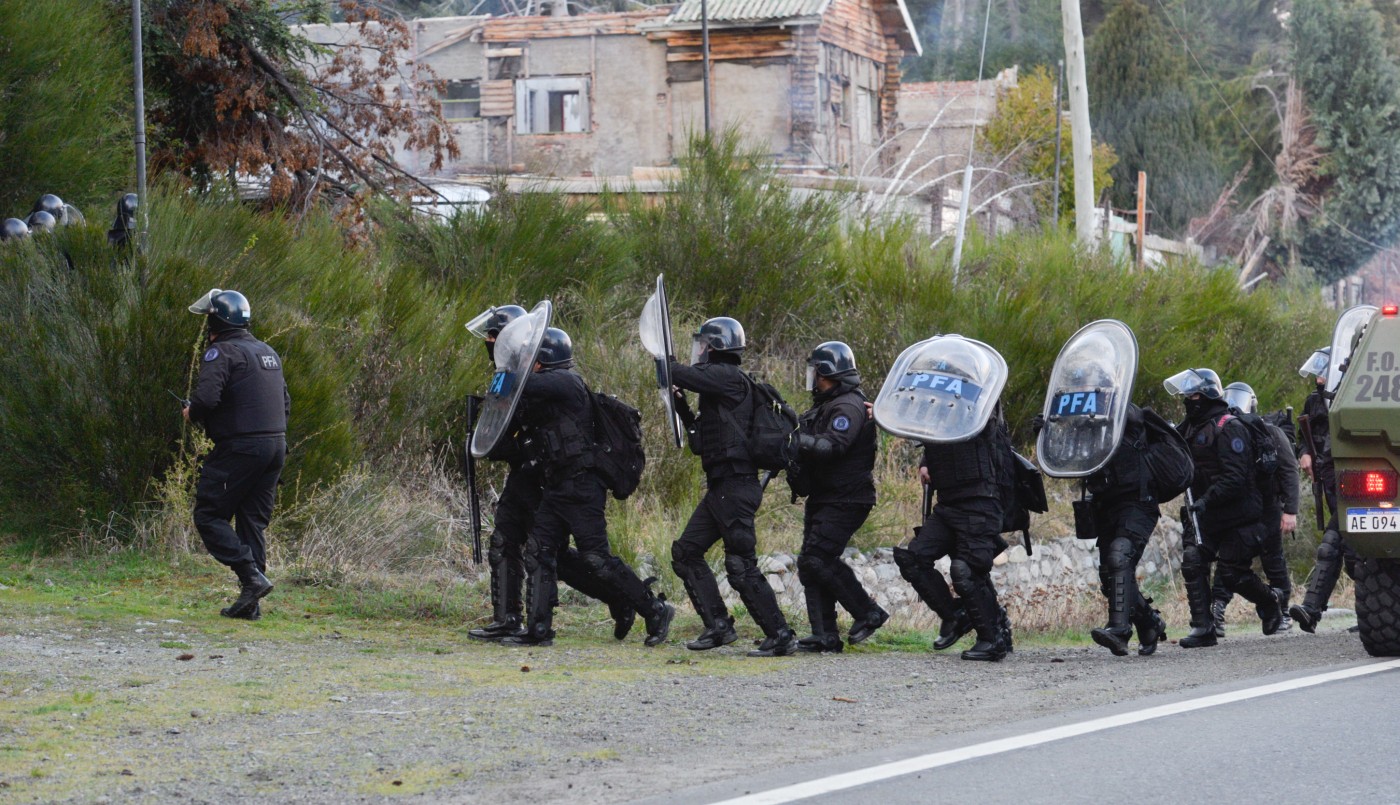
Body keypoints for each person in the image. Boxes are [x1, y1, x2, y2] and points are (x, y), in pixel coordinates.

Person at [466, 307, 639, 643]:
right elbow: (510, 434)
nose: (488, 342)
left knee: (556, 554)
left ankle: (621, 597)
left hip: (550, 476)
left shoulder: (548, 380)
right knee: (508, 542)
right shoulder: (517, 376)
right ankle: (509, 620)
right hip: (526, 473)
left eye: (493, 337)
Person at [502, 327, 674, 647]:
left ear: (544, 358)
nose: (528, 362)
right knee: (539, 552)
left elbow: (518, 385)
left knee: (596, 559)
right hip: (557, 486)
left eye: (531, 356)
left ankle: (654, 609)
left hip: (582, 487)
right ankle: (538, 631)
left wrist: (507, 367)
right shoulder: (547, 389)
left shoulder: (565, 381)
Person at [668, 317, 796, 657]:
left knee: (740, 565)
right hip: (722, 489)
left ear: (716, 347)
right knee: (686, 553)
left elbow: (681, 374)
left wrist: (662, 361)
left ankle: (780, 635)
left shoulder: (727, 377)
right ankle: (719, 627)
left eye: (703, 345)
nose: (700, 351)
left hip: (736, 488)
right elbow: (700, 443)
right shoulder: (719, 391)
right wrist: (681, 406)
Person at [184, 289, 290, 620]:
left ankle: (250, 577)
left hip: (240, 448)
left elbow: (206, 399)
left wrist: (193, 413)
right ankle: (249, 606)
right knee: (251, 523)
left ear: (215, 321)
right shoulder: (267, 351)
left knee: (208, 515)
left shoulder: (222, 352)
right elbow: (285, 402)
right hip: (275, 446)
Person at [1165, 368, 1283, 647]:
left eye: (1193, 394)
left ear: (1207, 394)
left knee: (1232, 575)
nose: (1188, 400)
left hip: (1239, 515)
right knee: (1193, 562)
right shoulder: (1189, 428)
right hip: (1205, 514)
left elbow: (1236, 477)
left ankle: (1270, 601)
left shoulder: (1230, 427)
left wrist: (1207, 500)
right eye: (1186, 395)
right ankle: (1203, 628)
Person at [786, 342, 886, 653]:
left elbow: (832, 446)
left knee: (818, 558)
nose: (814, 380)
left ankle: (868, 612)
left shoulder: (848, 406)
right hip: (825, 496)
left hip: (848, 498)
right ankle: (824, 634)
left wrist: (794, 440)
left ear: (832, 374)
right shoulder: (826, 406)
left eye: (818, 374)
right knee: (809, 563)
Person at [895, 408, 1013, 662]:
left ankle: (992, 640)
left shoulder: (981, 402)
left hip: (980, 502)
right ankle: (955, 616)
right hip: (948, 504)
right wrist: (926, 460)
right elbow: (933, 433)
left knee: (966, 570)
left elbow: (971, 426)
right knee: (913, 558)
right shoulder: (938, 406)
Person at [1210, 382, 1299, 635]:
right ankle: (1217, 611)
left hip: (1268, 507)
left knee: (1273, 560)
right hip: (1239, 507)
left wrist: (1290, 511)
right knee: (1229, 559)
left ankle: (1281, 612)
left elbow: (1289, 470)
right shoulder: (1224, 431)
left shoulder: (1268, 432)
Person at [1290, 347, 1357, 633]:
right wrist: (1304, 453)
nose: (1318, 377)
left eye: (1323, 371)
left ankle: (1312, 609)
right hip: (1329, 483)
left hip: (1352, 483)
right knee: (1348, 550)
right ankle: (1315, 611)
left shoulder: (1350, 397)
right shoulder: (1314, 402)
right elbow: (1302, 436)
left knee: (1336, 547)